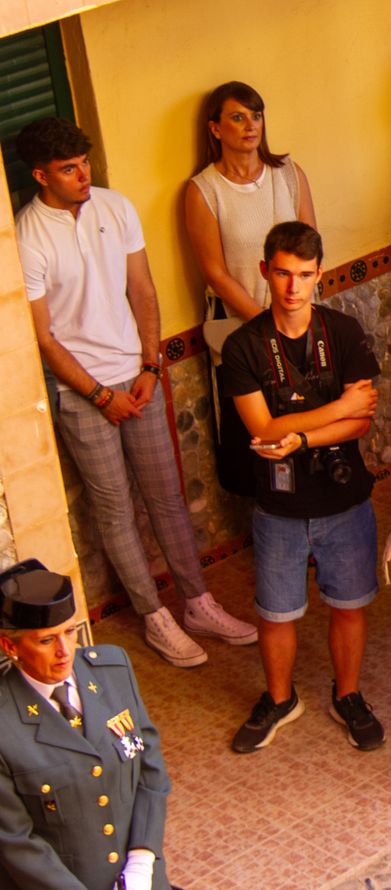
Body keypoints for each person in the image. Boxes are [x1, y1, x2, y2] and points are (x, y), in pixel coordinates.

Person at [16, 117, 257, 669]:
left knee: (166, 494)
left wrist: (150, 365)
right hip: (81, 392)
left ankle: (198, 603)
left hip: (139, 377)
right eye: (69, 169)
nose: (84, 175)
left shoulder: (115, 206)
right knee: (115, 508)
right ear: (41, 176)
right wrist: (100, 395)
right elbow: (44, 337)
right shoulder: (27, 236)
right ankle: (155, 617)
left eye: (85, 163)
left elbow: (143, 289)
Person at [220, 222, 385, 753]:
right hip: (278, 504)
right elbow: (262, 429)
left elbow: (363, 423)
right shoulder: (243, 346)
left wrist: (301, 436)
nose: (294, 287)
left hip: (345, 499)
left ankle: (348, 695)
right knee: (276, 613)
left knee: (349, 605)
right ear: (265, 271)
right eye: (283, 274)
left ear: (320, 275)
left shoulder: (343, 331)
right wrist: (337, 409)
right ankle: (279, 699)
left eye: (305, 275)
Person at [183, 80, 319, 496]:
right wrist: (266, 325)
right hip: (244, 329)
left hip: (301, 322)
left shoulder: (288, 174)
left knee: (309, 418)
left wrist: (293, 319)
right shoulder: (204, 190)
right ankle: (267, 512)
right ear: (215, 128)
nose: (250, 126)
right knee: (255, 435)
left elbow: (311, 243)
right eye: (238, 118)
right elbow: (215, 272)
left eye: (255, 116)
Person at [0, 560, 171, 890]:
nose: (65, 651)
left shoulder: (113, 668)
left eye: (70, 632)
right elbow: (15, 840)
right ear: (10, 647)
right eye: (46, 641)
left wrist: (141, 861)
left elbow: (150, 768)